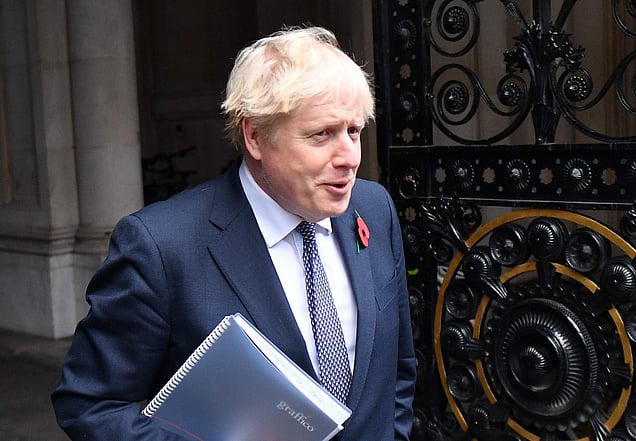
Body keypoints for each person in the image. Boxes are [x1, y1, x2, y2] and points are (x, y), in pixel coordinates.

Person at [52, 26, 416, 440]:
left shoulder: (374, 208)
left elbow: (397, 368)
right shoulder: (161, 246)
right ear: (255, 135)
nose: (349, 157)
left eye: (354, 131)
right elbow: (90, 406)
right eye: (322, 134)